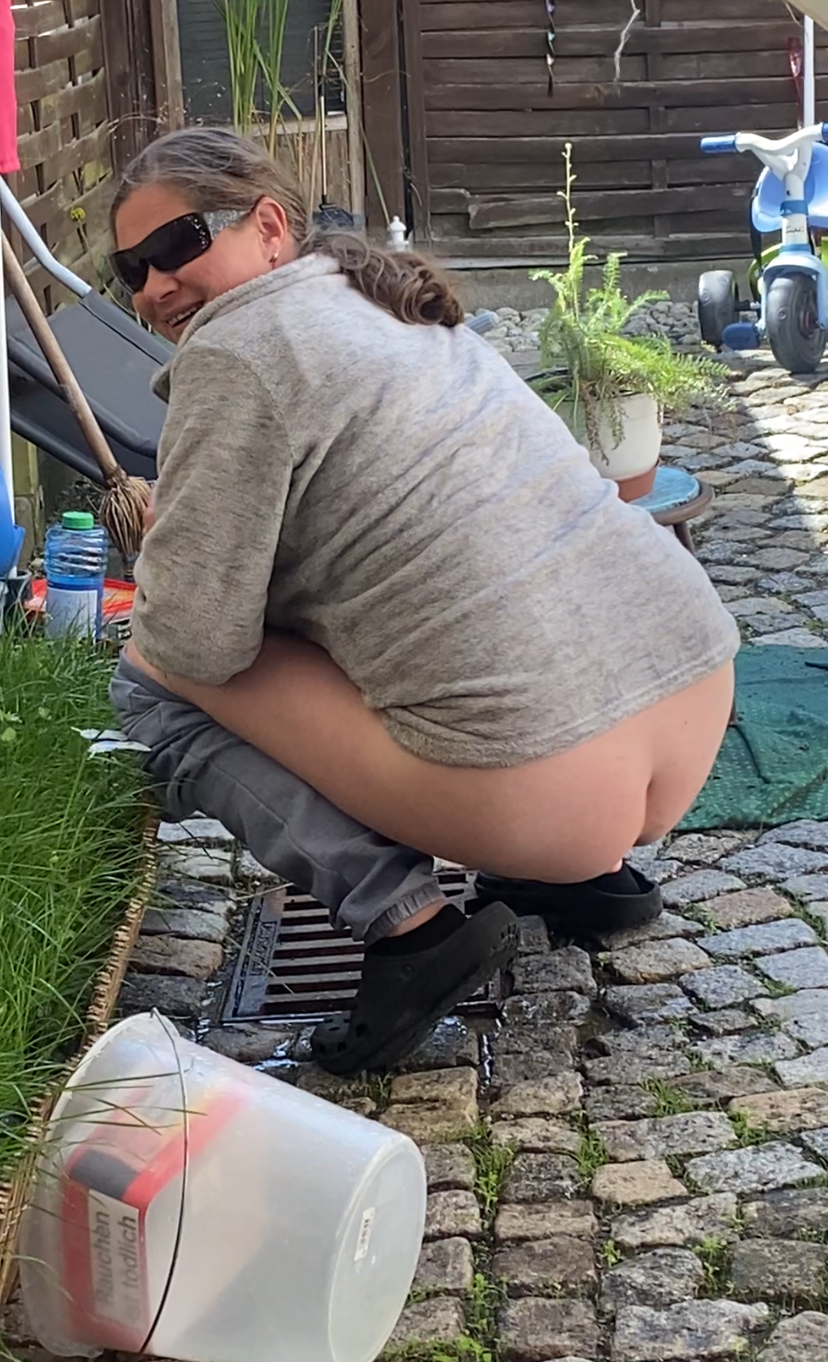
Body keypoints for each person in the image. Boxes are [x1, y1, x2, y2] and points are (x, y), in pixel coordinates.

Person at [109, 127, 738, 1074]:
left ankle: (411, 929)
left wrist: (171, 557)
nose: (156, 286)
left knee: (151, 683)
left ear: (269, 226)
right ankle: (585, 883)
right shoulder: (380, 297)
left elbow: (193, 639)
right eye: (132, 270)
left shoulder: (235, 350)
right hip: (691, 694)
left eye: (178, 244)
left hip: (547, 787)